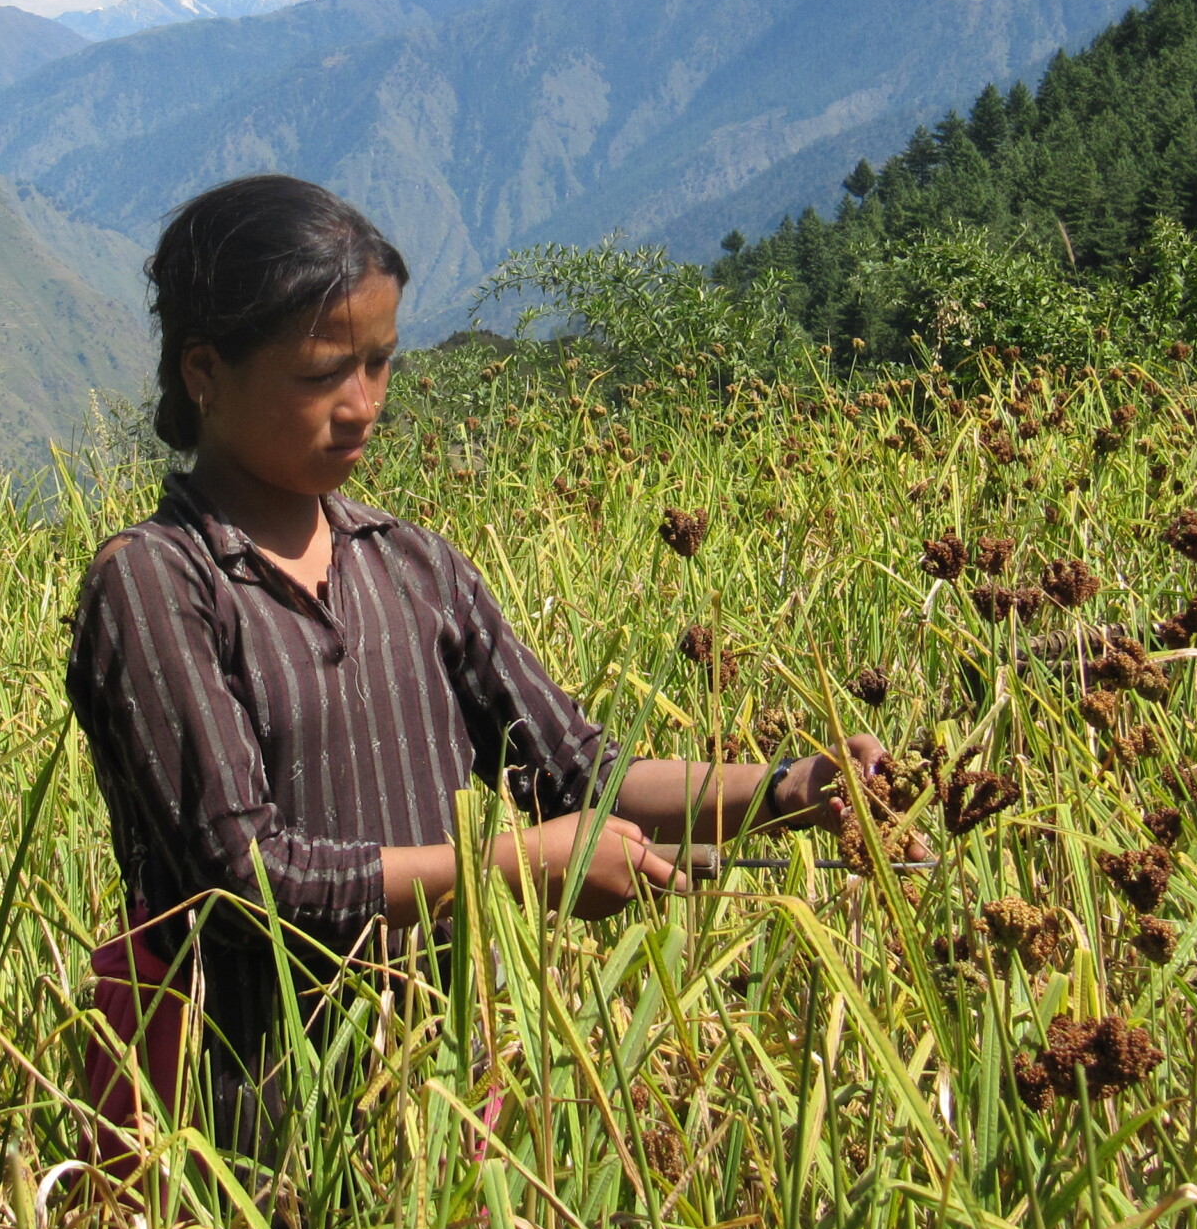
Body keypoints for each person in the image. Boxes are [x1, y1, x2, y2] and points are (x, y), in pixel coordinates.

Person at [65, 174, 885, 1158]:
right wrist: (516, 868)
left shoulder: (411, 566)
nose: (363, 406)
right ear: (204, 370)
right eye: (323, 374)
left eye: (379, 363)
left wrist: (794, 789)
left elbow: (580, 776)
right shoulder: (157, 583)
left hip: (438, 1094)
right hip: (239, 1116)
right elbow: (242, 878)